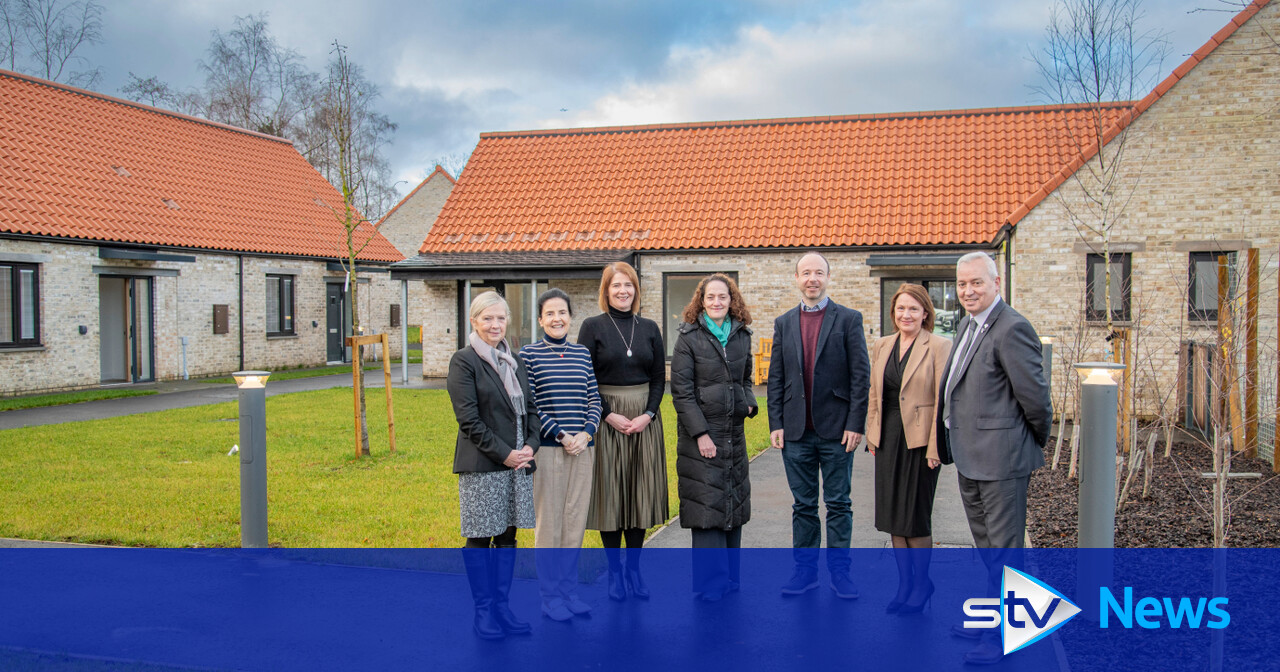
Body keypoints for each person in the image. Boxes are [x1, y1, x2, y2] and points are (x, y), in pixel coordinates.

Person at [936, 252, 1051, 665]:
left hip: (1002, 461)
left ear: (996, 282)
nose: (967, 291)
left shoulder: (1012, 328)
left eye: (976, 283)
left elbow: (1035, 399)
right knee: (988, 548)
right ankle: (991, 617)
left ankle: (1004, 635)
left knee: (1004, 551)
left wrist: (1034, 439)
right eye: (962, 284)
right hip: (971, 457)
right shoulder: (968, 323)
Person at [767, 251, 870, 599]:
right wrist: (776, 423)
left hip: (838, 431)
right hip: (796, 433)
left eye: (819, 273)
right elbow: (776, 377)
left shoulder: (848, 319)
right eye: (806, 273)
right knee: (803, 506)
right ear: (796, 279)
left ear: (828, 277)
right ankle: (805, 572)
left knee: (839, 504)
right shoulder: (783, 323)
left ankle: (841, 574)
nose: (812, 278)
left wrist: (856, 423)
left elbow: (861, 377)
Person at [446, 290, 540, 640]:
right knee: (481, 536)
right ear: (474, 321)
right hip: (485, 463)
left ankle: (502, 607)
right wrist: (505, 454)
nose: (495, 324)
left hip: (518, 463)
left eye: (501, 318)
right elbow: (469, 420)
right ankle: (483, 612)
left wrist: (530, 447)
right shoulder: (464, 361)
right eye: (487, 318)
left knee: (507, 536)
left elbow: (530, 411)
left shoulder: (513, 361)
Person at [576, 261, 668, 601]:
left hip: (644, 419)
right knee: (612, 495)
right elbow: (586, 379)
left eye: (628, 285)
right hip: (607, 419)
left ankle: (634, 569)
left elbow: (659, 377)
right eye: (616, 286)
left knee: (639, 494)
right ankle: (614, 572)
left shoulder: (649, 327)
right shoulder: (592, 327)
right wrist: (607, 414)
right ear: (606, 290)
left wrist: (648, 414)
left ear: (635, 290)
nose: (623, 291)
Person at [670, 273, 757, 601]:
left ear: (731, 300)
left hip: (734, 434)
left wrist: (748, 404)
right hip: (702, 438)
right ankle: (710, 585)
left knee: (732, 504)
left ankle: (730, 579)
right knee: (707, 508)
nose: (717, 302)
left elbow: (746, 379)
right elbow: (681, 392)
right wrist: (701, 434)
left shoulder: (742, 335)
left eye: (723, 297)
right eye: (711, 297)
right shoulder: (689, 338)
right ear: (701, 302)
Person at [865, 284, 951, 614]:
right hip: (888, 439)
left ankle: (922, 583)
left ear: (926, 313)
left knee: (914, 518)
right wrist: (873, 434)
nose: (906, 315)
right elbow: (876, 394)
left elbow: (943, 401)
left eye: (914, 309)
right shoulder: (882, 345)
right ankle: (904, 584)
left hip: (919, 442)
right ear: (893, 313)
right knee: (892, 518)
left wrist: (935, 447)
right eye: (901, 309)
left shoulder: (939, 346)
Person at [519, 289, 602, 622]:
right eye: (550, 314)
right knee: (550, 526)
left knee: (574, 524)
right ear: (540, 320)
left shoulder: (582, 354)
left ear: (571, 317)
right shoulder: (529, 355)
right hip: (551, 452)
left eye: (562, 313)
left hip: (583, 450)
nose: (557, 319)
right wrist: (563, 435)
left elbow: (594, 398)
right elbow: (532, 406)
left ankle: (569, 593)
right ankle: (549, 597)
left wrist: (586, 433)